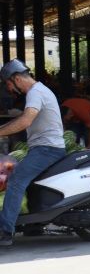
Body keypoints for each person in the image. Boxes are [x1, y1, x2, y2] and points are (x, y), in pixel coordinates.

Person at [0, 59, 67, 246]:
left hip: (47, 149)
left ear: (16, 79)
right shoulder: (39, 90)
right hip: (45, 148)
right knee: (31, 183)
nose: (11, 89)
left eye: (8, 84)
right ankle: (34, 225)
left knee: (15, 181)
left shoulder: (35, 93)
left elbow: (25, 121)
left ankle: (5, 231)